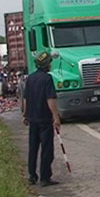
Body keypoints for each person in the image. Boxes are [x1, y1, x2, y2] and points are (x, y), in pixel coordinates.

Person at [23, 51, 61, 187]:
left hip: (32, 118)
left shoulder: (30, 78)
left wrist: (25, 115)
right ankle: (45, 177)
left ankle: (32, 176)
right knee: (46, 149)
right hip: (44, 119)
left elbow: (26, 99)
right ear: (46, 65)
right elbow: (50, 99)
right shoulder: (47, 79)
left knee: (33, 148)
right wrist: (56, 117)